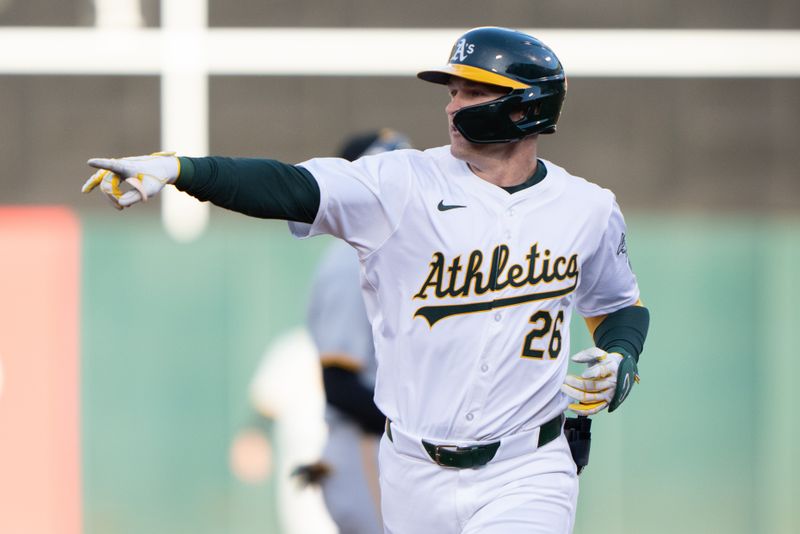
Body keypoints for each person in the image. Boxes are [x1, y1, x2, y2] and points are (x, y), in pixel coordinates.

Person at [83, 26, 651, 534]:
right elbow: (291, 187)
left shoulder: (586, 207)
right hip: (412, 471)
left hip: (529, 467)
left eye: (473, 92)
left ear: (527, 107)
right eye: (452, 92)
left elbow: (619, 304)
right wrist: (184, 170)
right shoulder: (401, 183)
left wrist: (620, 355)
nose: (454, 107)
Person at [294, 129, 412, 534]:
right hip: (363, 446)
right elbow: (340, 385)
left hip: (386, 445)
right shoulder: (348, 262)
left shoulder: (396, 255)